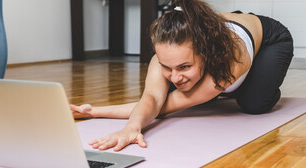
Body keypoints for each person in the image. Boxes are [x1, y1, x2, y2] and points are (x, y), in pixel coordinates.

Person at [71, 0, 294, 152]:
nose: (174, 77)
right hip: (217, 34)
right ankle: (209, 85)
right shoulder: (166, 55)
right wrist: (94, 112)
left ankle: (254, 83)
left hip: (268, 40)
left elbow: (164, 107)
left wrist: (123, 120)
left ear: (206, 53)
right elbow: (152, 100)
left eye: (184, 66)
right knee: (191, 91)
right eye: (167, 67)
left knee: (253, 103)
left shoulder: (231, 57)